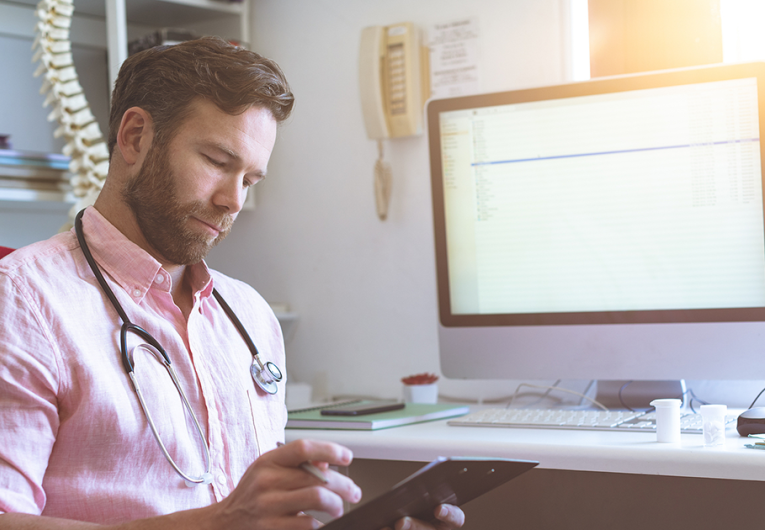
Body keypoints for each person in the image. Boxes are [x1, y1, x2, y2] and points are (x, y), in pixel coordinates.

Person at [0, 37, 464, 530]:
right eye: (218, 163)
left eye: (250, 180)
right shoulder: (22, 302)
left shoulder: (248, 315)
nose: (233, 201)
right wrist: (217, 523)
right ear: (135, 137)